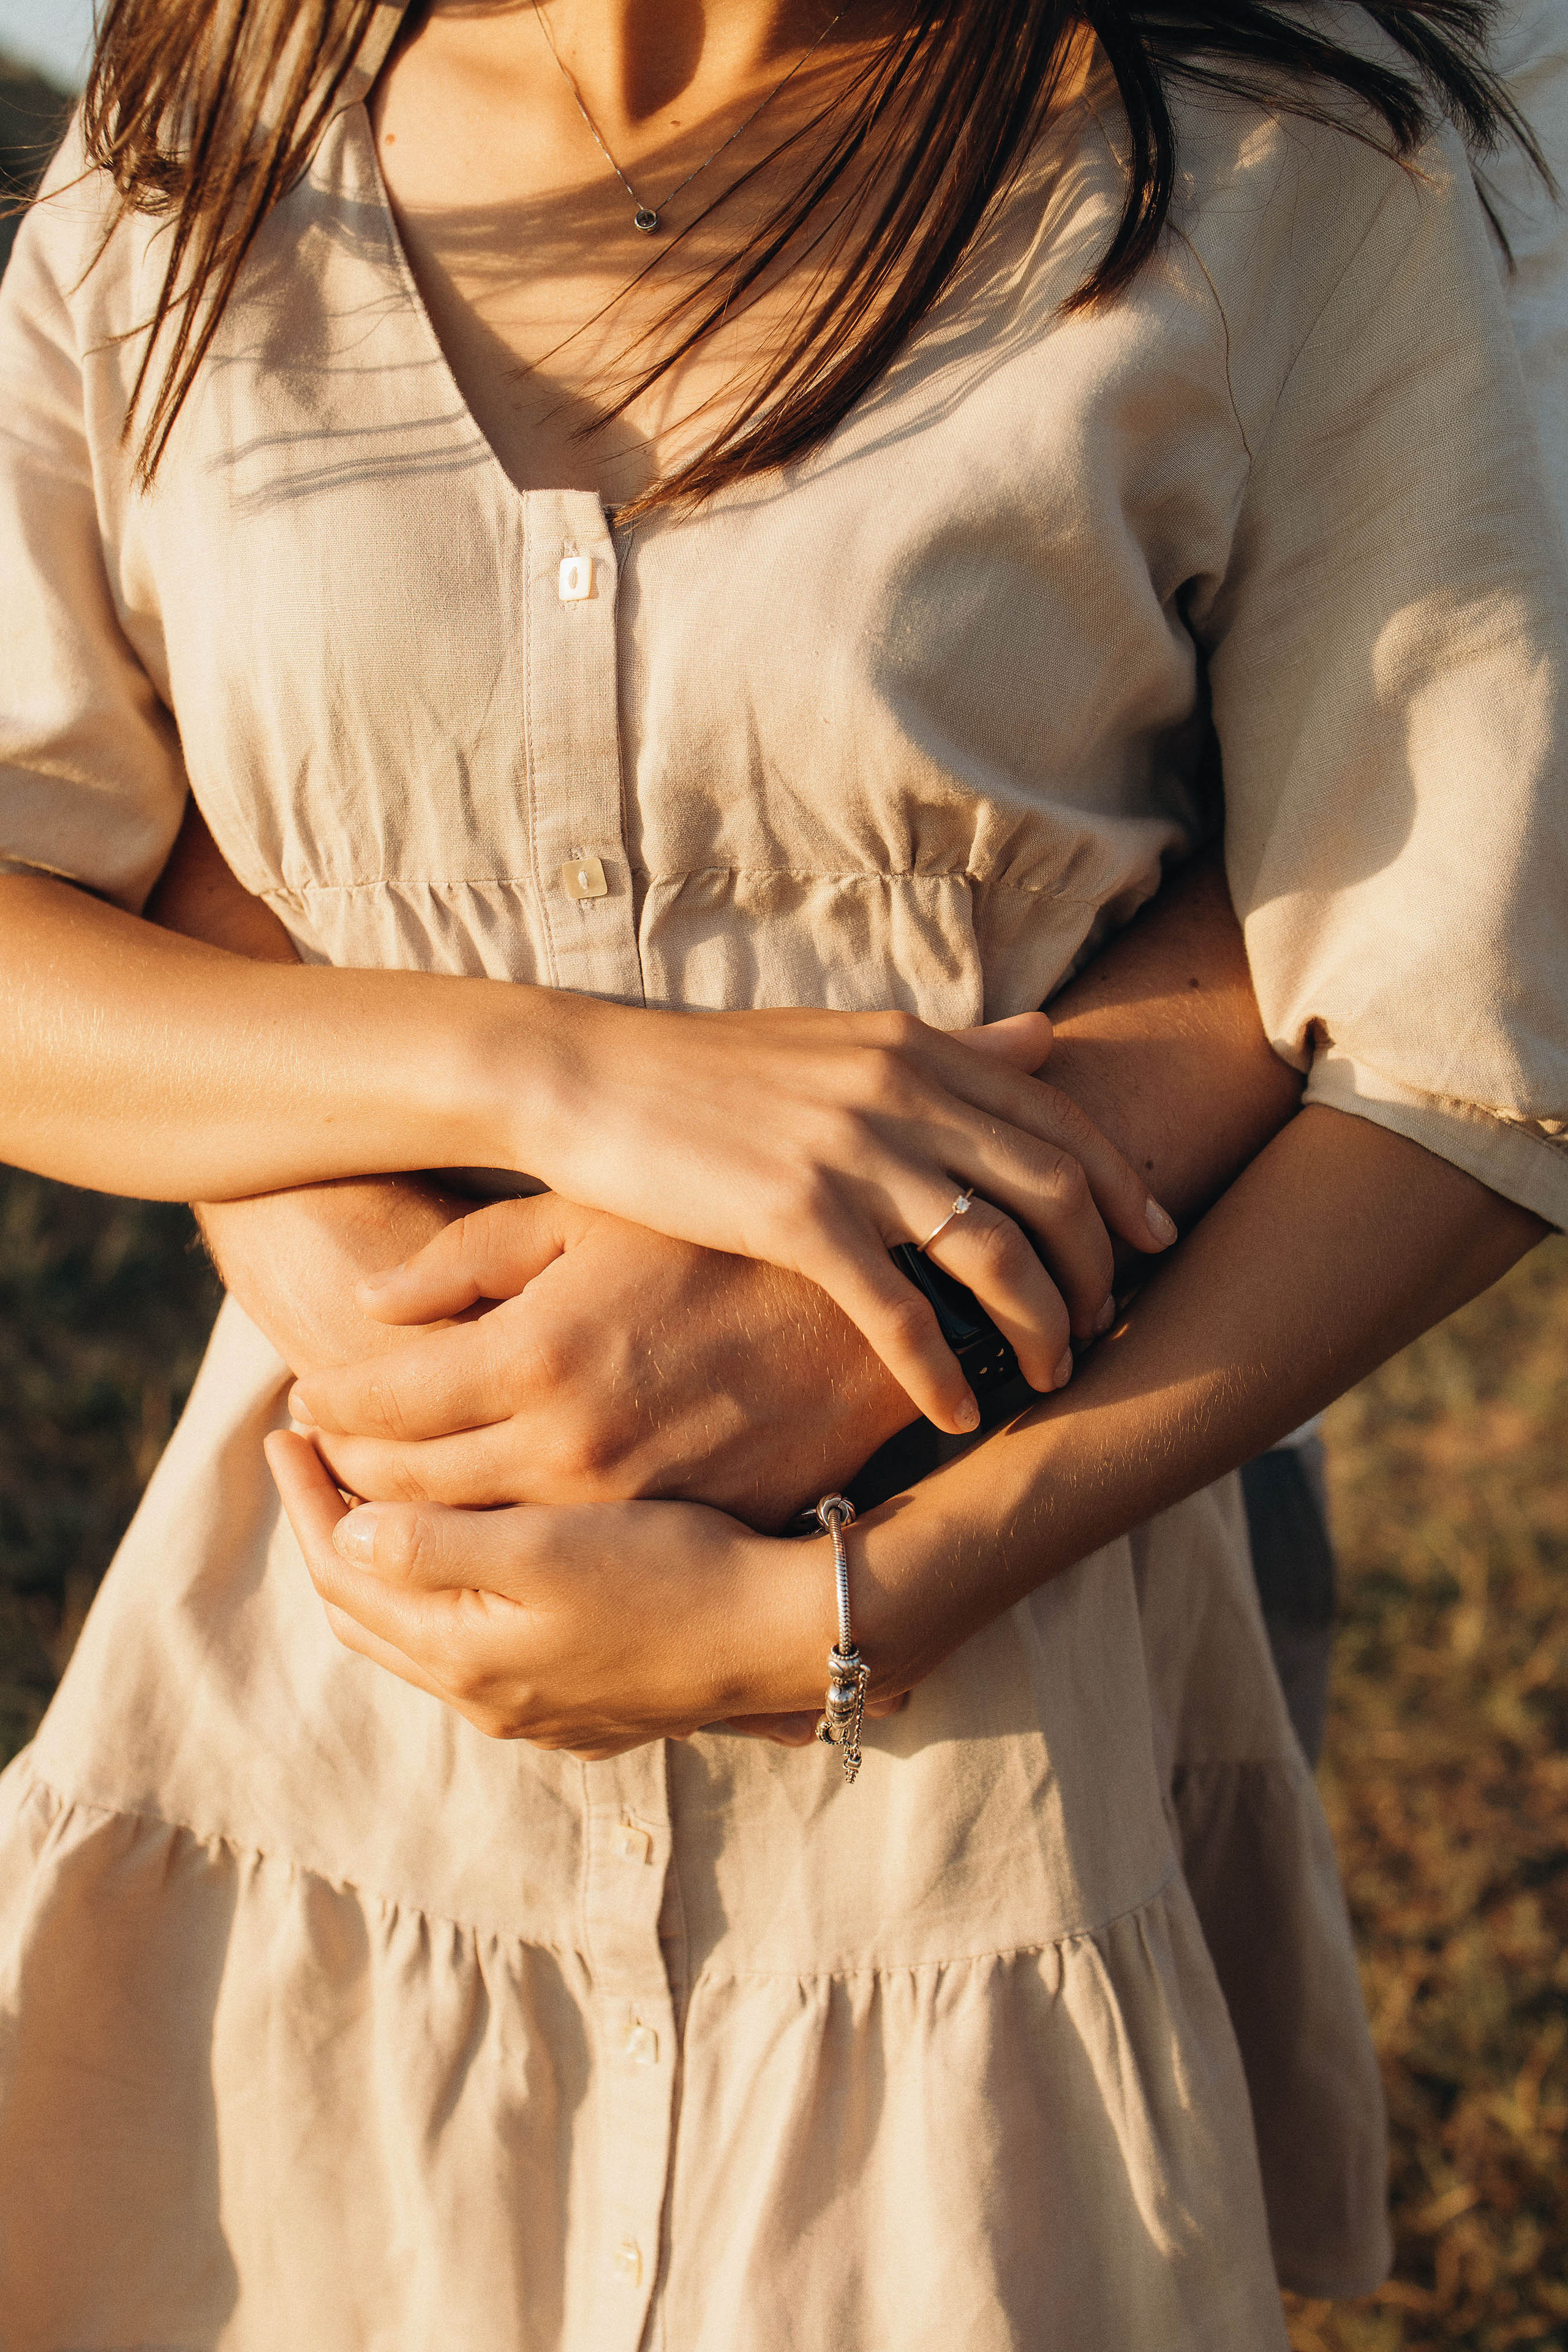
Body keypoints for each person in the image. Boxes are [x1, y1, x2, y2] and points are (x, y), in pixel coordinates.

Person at [0, 2, 1564, 2345]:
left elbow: (1466, 1030)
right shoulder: (195, 168)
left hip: (973, 1773)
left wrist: (870, 1598)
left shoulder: (1276, 181)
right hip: (316, 1725)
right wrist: (561, 1080)